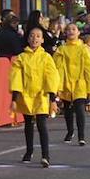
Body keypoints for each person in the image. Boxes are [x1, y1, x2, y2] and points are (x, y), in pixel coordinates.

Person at [11, 25, 61, 167]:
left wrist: (52, 98)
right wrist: (14, 98)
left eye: (38, 36)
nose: (34, 39)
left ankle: (45, 155)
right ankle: (29, 150)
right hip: (26, 95)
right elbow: (16, 78)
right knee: (28, 124)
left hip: (41, 95)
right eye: (32, 36)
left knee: (41, 125)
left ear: (42, 40)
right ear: (27, 39)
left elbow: (51, 77)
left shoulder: (46, 57)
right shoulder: (21, 58)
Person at [54, 23, 90, 146]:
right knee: (67, 110)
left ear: (79, 33)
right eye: (68, 30)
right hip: (66, 84)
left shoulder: (84, 49)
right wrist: (57, 87)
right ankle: (70, 131)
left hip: (80, 84)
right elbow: (57, 69)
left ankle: (81, 135)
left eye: (74, 29)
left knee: (79, 110)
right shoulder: (61, 50)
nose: (71, 31)